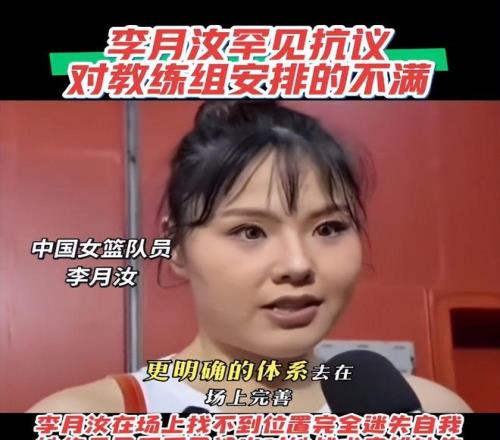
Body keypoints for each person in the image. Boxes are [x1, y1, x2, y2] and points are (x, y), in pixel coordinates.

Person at [28, 101, 472, 413]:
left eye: (328, 228)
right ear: (176, 246)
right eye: (251, 232)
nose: (298, 265)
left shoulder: (427, 412)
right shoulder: (87, 418)